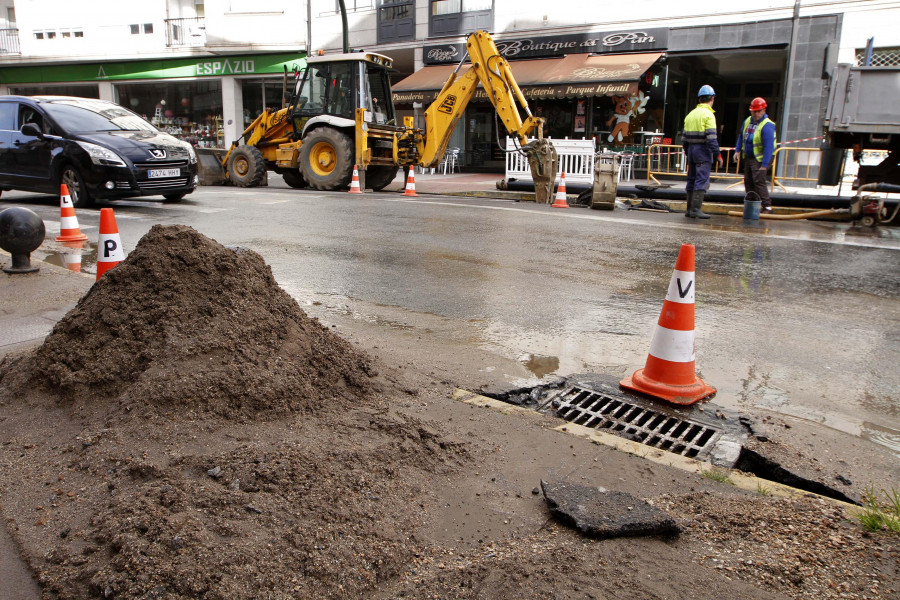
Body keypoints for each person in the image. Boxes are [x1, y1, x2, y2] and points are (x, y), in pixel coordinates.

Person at [682, 85, 723, 219]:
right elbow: (712, 138)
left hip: (692, 150)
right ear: (712, 98)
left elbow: (684, 138)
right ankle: (695, 209)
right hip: (703, 150)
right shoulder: (709, 115)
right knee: (701, 179)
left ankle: (689, 210)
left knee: (691, 179)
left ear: (699, 99)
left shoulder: (690, 115)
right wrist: (718, 154)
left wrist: (688, 152)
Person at [734, 97, 777, 214]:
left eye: (759, 111)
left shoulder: (767, 125)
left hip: (761, 158)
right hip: (749, 157)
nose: (756, 114)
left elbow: (769, 147)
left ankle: (767, 206)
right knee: (748, 180)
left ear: (764, 110)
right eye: (754, 111)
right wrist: (737, 150)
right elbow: (741, 136)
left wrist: (764, 166)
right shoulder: (748, 121)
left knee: (759, 180)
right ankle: (752, 204)